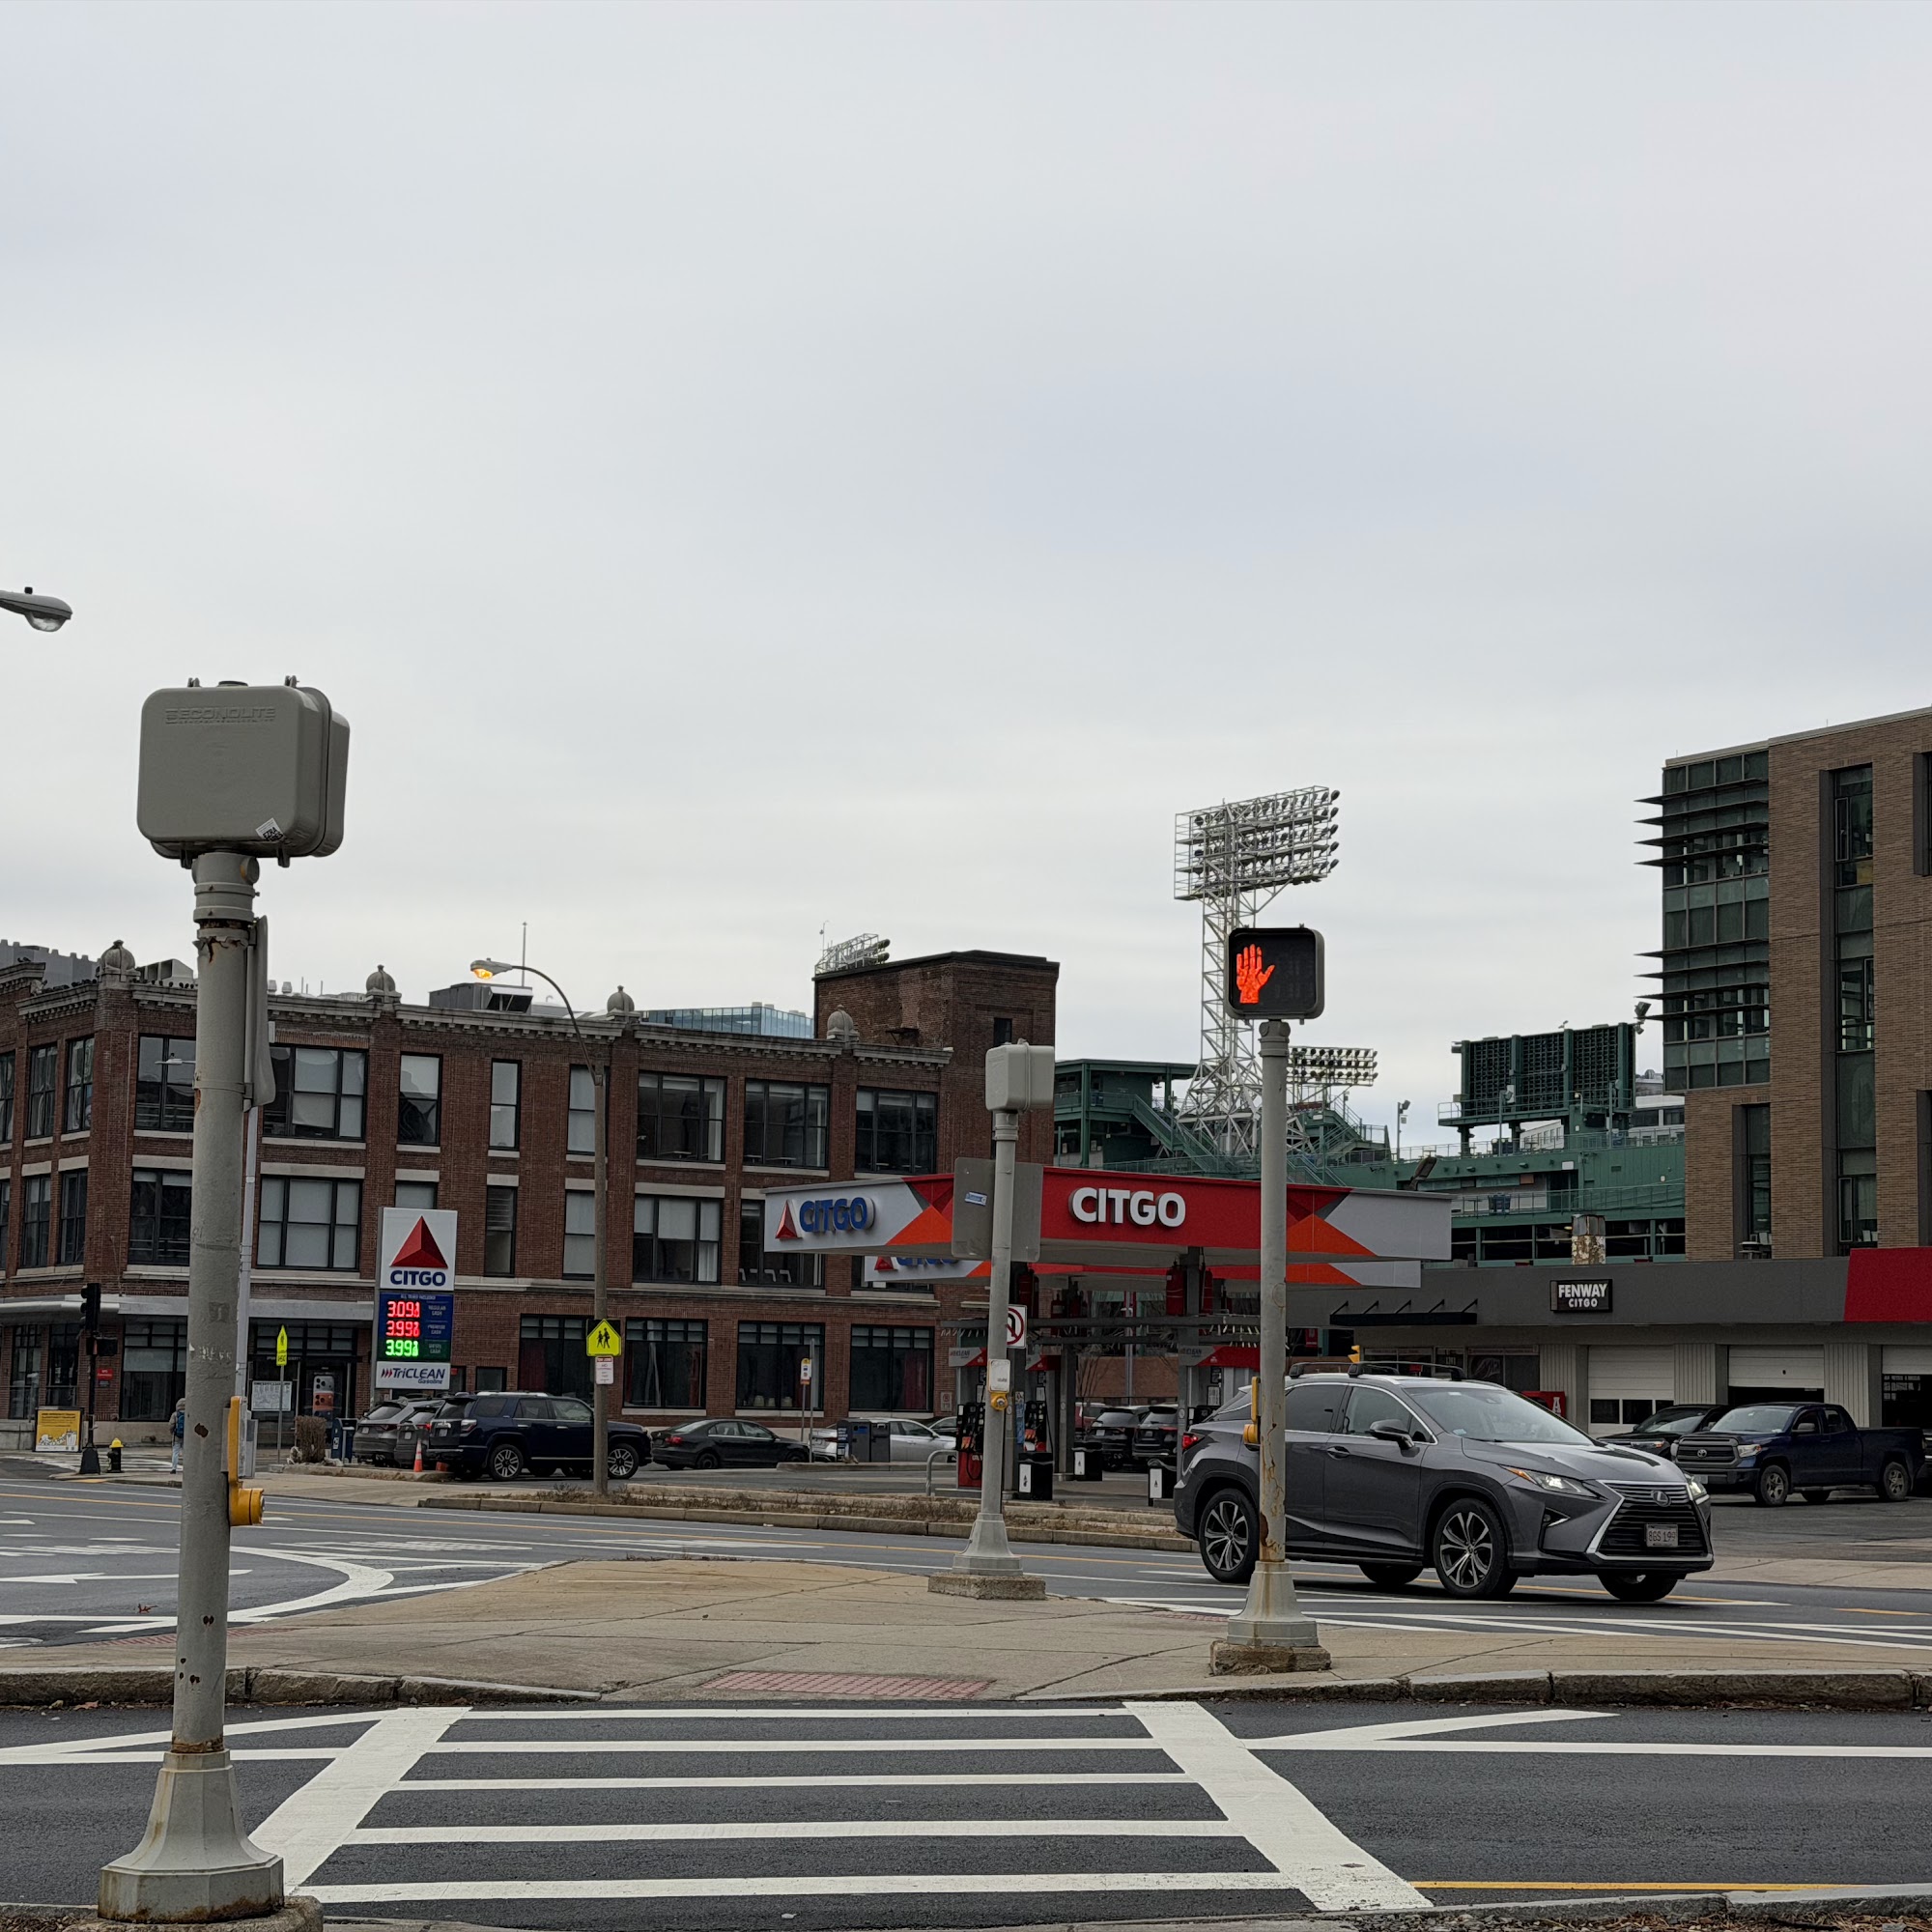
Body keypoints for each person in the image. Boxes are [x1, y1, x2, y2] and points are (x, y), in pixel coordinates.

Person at [169, 1397, 185, 1473]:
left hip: (177, 1436)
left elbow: (171, 1425)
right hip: (186, 1436)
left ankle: (174, 1468)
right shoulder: (188, 1414)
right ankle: (186, 1468)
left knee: (175, 1452)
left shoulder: (175, 1414)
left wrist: (172, 1432)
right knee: (185, 1452)